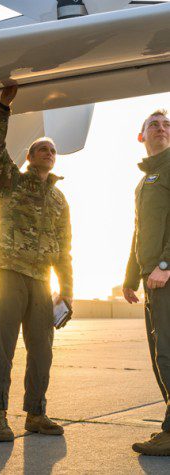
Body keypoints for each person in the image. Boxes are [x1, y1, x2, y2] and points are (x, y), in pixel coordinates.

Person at [0, 85, 73, 442]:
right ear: (29, 157)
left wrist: (66, 293)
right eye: (41, 148)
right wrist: (3, 108)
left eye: (52, 150)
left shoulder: (59, 199)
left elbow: (65, 250)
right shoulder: (11, 181)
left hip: (42, 282)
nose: (48, 152)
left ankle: (36, 414)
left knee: (43, 351)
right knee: (2, 347)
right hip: (10, 273)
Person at [123, 109, 170, 456]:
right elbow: (138, 232)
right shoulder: (143, 182)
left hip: (165, 275)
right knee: (159, 355)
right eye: (153, 125)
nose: (161, 128)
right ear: (142, 136)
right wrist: (129, 277)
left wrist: (166, 264)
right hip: (150, 279)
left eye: (167, 124)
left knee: (168, 353)